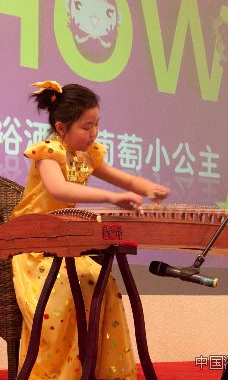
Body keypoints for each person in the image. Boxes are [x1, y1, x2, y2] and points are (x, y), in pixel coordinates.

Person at [9, 80, 170, 380]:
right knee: (64, 294)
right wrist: (111, 197)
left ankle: (97, 371)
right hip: (35, 247)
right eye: (86, 126)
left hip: (64, 247)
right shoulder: (48, 153)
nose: (94, 132)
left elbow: (124, 180)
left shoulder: (88, 155)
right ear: (61, 128)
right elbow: (59, 188)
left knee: (103, 283)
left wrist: (148, 188)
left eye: (97, 124)